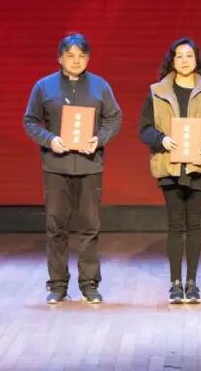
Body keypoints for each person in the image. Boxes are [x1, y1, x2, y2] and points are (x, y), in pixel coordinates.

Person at [23, 33, 122, 305]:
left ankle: (89, 284)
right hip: (56, 166)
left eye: (81, 55)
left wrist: (99, 139)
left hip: (90, 165)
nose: (76, 60)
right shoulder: (44, 86)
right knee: (56, 227)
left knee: (90, 226)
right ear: (60, 58)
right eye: (70, 55)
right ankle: (57, 285)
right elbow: (30, 121)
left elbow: (114, 118)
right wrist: (50, 140)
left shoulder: (100, 86)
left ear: (88, 58)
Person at [139, 37, 201, 304]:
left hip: (197, 165)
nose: (185, 60)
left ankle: (192, 282)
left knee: (195, 224)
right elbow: (144, 129)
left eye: (189, 55)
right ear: (172, 60)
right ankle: (176, 283)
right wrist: (162, 139)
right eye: (179, 56)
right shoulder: (157, 91)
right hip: (170, 165)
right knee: (176, 225)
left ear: (196, 59)